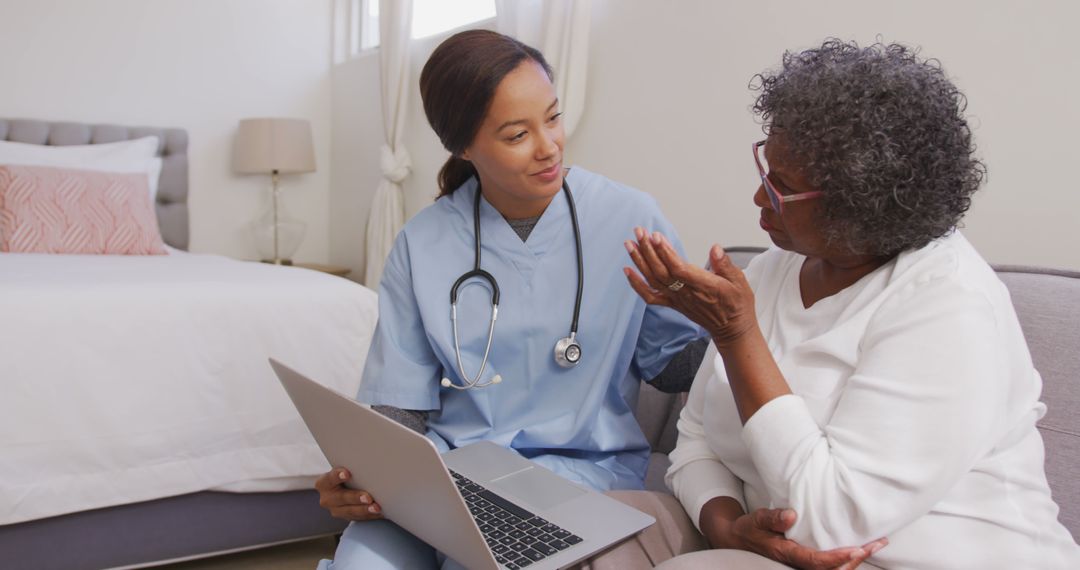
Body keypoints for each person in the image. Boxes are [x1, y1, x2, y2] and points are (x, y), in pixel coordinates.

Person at [586, 39, 1080, 569]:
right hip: (760, 546)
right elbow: (695, 439)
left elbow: (827, 523)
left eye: (781, 187)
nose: (759, 199)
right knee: (590, 532)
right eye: (764, 172)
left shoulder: (950, 304)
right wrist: (726, 525)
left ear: (859, 203)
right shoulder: (773, 270)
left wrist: (737, 336)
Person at [313, 30, 706, 569]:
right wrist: (368, 480)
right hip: (452, 477)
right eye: (518, 133)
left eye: (553, 117)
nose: (548, 146)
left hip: (579, 475)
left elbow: (675, 365)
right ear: (464, 146)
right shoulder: (422, 242)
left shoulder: (629, 218)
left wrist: (728, 322)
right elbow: (399, 404)